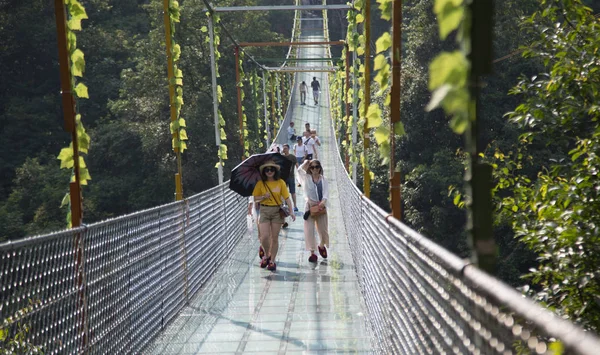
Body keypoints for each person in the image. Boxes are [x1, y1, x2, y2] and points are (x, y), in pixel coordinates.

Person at [252, 161, 296, 271]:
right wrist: (263, 196)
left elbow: (287, 198)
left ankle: (272, 260)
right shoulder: (260, 183)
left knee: (274, 237)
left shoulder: (280, 182)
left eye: (272, 169)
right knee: (264, 236)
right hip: (264, 210)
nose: (269, 171)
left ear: (275, 171)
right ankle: (267, 255)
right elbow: (255, 199)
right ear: (264, 172)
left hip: (277, 211)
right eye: (267, 170)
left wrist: (291, 211)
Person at [297, 159, 329, 262]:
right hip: (310, 207)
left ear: (320, 168)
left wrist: (323, 201)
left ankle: (321, 245)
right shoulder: (306, 178)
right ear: (310, 169)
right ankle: (312, 252)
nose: (315, 169)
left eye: (317, 167)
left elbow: (326, 193)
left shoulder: (324, 179)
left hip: (321, 207)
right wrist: (306, 162)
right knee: (309, 231)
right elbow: (298, 170)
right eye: (312, 167)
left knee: (323, 231)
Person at [282, 144, 298, 214]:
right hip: (283, 177)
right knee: (284, 192)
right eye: (283, 148)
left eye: (285, 148)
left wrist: (300, 175)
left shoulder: (292, 157)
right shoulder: (281, 157)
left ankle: (295, 206)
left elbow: (297, 166)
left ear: (288, 149)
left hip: (291, 177)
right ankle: (285, 205)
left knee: (292, 192)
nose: (284, 150)